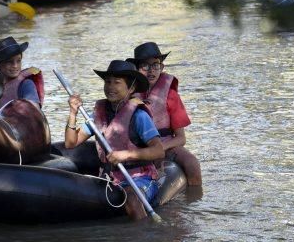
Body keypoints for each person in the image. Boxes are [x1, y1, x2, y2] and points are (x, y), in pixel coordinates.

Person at [64, 60, 164, 220]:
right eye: (107, 82)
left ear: (131, 88)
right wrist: (73, 113)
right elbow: (71, 143)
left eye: (117, 82)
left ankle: (143, 240)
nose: (110, 87)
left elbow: (158, 150)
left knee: (131, 198)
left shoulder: (139, 116)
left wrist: (125, 155)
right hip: (110, 179)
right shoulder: (98, 115)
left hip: (140, 178)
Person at [127, 42, 201, 186]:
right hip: (139, 147)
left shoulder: (170, 93)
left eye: (156, 65)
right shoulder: (128, 91)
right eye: (145, 66)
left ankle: (193, 203)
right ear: (136, 69)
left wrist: (161, 148)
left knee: (192, 163)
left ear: (161, 67)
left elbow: (181, 138)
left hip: (166, 145)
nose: (151, 71)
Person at [0, 36, 44, 108]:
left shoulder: (26, 84)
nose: (15, 66)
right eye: (9, 62)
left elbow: (34, 110)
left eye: (18, 61)